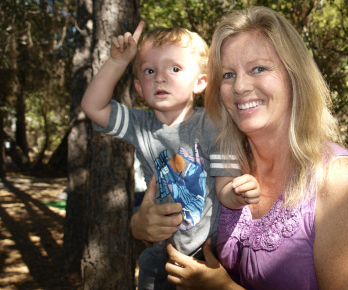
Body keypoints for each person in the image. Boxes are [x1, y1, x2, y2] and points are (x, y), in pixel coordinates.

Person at [132, 6, 348, 289]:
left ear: (293, 74)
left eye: (258, 69)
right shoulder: (221, 159)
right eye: (227, 74)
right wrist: (140, 225)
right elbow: (177, 227)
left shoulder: (336, 177)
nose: (239, 86)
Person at [80, 22, 261, 290]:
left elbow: (225, 188)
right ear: (139, 87)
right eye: (150, 71)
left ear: (200, 82)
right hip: (160, 257)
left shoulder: (214, 125)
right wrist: (118, 61)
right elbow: (92, 107)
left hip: (209, 256)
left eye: (174, 69)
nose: (160, 78)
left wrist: (238, 194)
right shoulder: (139, 125)